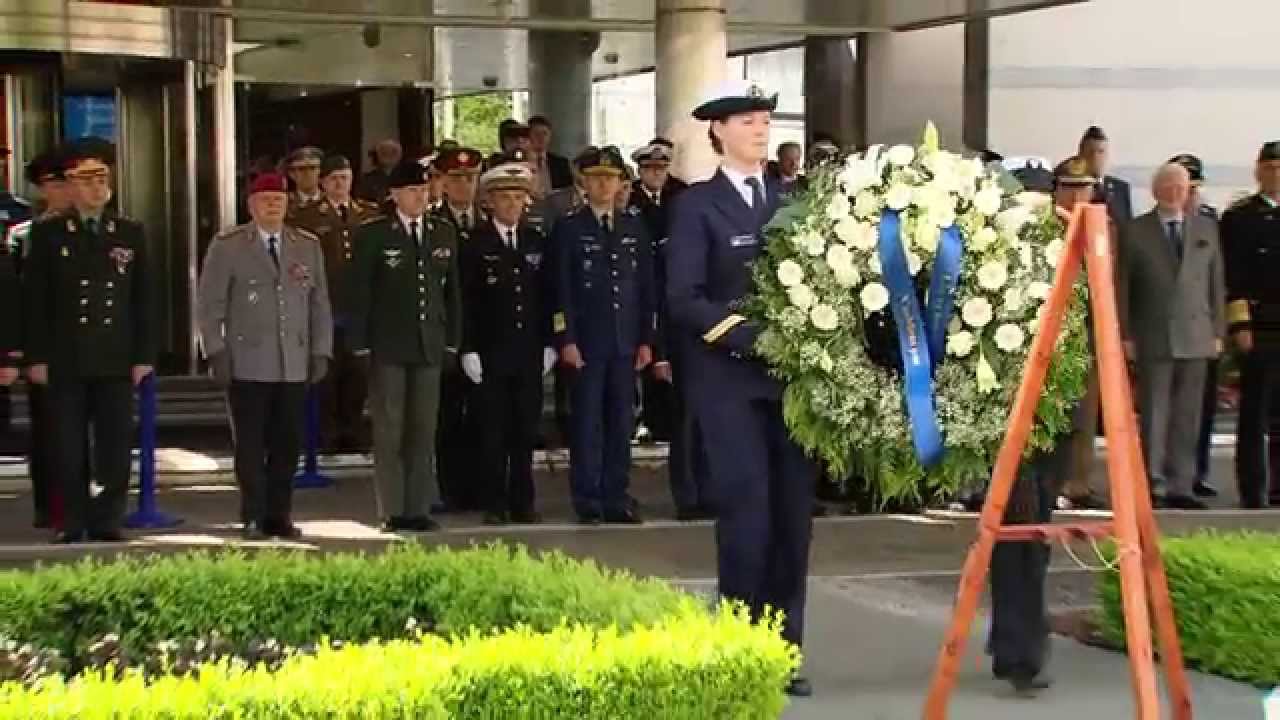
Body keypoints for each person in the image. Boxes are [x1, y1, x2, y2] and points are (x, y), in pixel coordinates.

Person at [666, 79, 815, 696]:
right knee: (747, 516)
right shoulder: (697, 207)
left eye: (764, 120)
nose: (761, 129)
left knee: (792, 518)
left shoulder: (790, 199)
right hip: (730, 383)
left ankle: (784, 650)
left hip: (792, 386)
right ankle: (739, 645)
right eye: (749, 120)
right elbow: (684, 299)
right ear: (719, 131)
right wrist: (752, 337)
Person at [987, 156, 1101, 695]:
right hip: (1009, 412)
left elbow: (1090, 339)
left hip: (1056, 412)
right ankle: (1019, 649)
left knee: (1034, 532)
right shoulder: (994, 257)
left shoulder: (1075, 248)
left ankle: (1015, 636)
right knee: (1020, 530)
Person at [22, 147, 156, 544]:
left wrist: (144, 355)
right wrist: (36, 356)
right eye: (88, 179)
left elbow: (144, 298)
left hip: (115, 355)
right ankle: (72, 519)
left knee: (115, 444)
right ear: (70, 186)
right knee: (67, 444)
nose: (98, 187)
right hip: (66, 355)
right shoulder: (48, 233)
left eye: (103, 179)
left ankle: (107, 518)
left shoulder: (129, 231)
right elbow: (35, 300)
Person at [198, 173, 333, 539]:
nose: (273, 205)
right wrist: (215, 350)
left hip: (292, 359)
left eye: (279, 198)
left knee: (288, 443)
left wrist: (321, 350)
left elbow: (318, 303)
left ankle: (280, 515)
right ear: (251, 205)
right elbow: (210, 304)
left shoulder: (305, 245)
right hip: (247, 360)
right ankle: (253, 515)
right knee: (251, 445)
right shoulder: (229, 246)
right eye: (265, 199)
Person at [348, 160, 461, 532]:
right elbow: (361, 292)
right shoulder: (375, 234)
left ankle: (418, 506)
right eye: (412, 190)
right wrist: (360, 344)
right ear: (395, 195)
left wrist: (452, 342)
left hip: (429, 342)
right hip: (389, 345)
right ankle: (392, 509)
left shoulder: (442, 232)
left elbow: (452, 294)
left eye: (424, 190)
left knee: (423, 428)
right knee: (390, 429)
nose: (420, 196)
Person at [552, 146, 654, 525]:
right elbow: (560, 290)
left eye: (610, 179)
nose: (603, 185)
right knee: (587, 422)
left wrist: (647, 338)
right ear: (584, 183)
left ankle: (616, 494)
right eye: (596, 178)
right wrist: (566, 340)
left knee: (620, 421)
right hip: (588, 344)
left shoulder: (633, 226)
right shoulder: (569, 227)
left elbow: (646, 288)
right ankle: (587, 496)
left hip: (625, 342)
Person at [1118, 162, 1223, 511]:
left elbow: (1216, 286)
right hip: (1154, 333)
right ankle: (1152, 482)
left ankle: (1182, 483)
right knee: (1155, 412)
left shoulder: (1206, 228)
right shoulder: (1135, 231)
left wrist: (1218, 331)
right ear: (1156, 190)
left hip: (1196, 333)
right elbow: (1123, 288)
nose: (1176, 192)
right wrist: (1125, 334)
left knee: (1188, 415)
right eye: (1169, 186)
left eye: (1181, 187)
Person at [460, 155, 556, 525]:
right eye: (505, 198)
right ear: (490, 202)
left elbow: (548, 296)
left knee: (524, 430)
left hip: (529, 349)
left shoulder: (535, 241)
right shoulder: (475, 243)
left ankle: (523, 500)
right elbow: (466, 299)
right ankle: (494, 502)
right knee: (492, 432)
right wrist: (468, 348)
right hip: (491, 351)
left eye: (518, 198)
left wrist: (550, 339)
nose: (512, 205)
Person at [628, 140, 709, 519]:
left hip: (707, 339)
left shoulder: (695, 228)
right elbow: (657, 296)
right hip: (676, 338)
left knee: (708, 422)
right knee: (685, 425)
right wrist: (659, 351)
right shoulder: (648, 223)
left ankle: (709, 493)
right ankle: (689, 496)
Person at [289, 154, 381, 453]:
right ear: (323, 183)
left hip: (359, 308)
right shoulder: (306, 218)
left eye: (344, 177)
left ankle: (352, 430)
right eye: (333, 179)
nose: (340, 184)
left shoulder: (369, 214)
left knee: (357, 376)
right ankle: (325, 434)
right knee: (326, 376)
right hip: (325, 307)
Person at [7, 149, 75, 529]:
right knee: (47, 431)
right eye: (56, 183)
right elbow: (17, 295)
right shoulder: (24, 235)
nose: (65, 190)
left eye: (69, 181)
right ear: (41, 189)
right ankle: (49, 507)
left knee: (81, 431)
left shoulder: (95, 228)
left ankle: (79, 502)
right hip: (45, 346)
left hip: (85, 343)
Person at [1221, 140, 1280, 508]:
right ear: (1258, 171)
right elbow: (1232, 277)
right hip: (1258, 326)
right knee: (1254, 414)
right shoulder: (1240, 218)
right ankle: (1253, 489)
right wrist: (1240, 325)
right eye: (1270, 167)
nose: (1275, 174)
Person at [432, 147, 486, 512]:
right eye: (455, 179)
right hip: (446, 337)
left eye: (469, 178)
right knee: (446, 419)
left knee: (483, 418)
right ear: (443, 183)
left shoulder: (489, 222)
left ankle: (479, 487)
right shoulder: (433, 226)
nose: (463, 185)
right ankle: (449, 489)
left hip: (485, 338)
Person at [1170, 153, 1223, 500]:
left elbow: (1219, 280)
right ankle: (1165, 474)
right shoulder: (1154, 223)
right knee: (1165, 408)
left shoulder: (1210, 221)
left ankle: (1195, 472)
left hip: (1202, 328)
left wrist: (1221, 329)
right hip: (1166, 329)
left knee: (1200, 409)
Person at [1079, 126, 1133, 226]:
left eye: (1101, 152)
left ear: (1107, 154)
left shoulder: (1121, 188)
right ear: (1080, 155)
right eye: (1091, 152)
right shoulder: (1071, 188)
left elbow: (1128, 228)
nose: (1096, 158)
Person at [527, 115, 574, 193]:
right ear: (528, 136)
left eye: (545, 133)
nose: (541, 137)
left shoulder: (561, 163)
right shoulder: (522, 162)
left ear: (550, 136)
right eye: (536, 133)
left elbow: (568, 191)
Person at [357, 139, 403, 204]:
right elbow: (361, 202)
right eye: (384, 152)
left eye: (393, 152)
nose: (389, 156)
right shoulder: (367, 180)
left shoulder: (406, 178)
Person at [285, 147, 325, 214]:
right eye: (301, 169)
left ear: (320, 171)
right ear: (292, 174)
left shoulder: (332, 200)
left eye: (313, 168)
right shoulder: (284, 204)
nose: (307, 173)